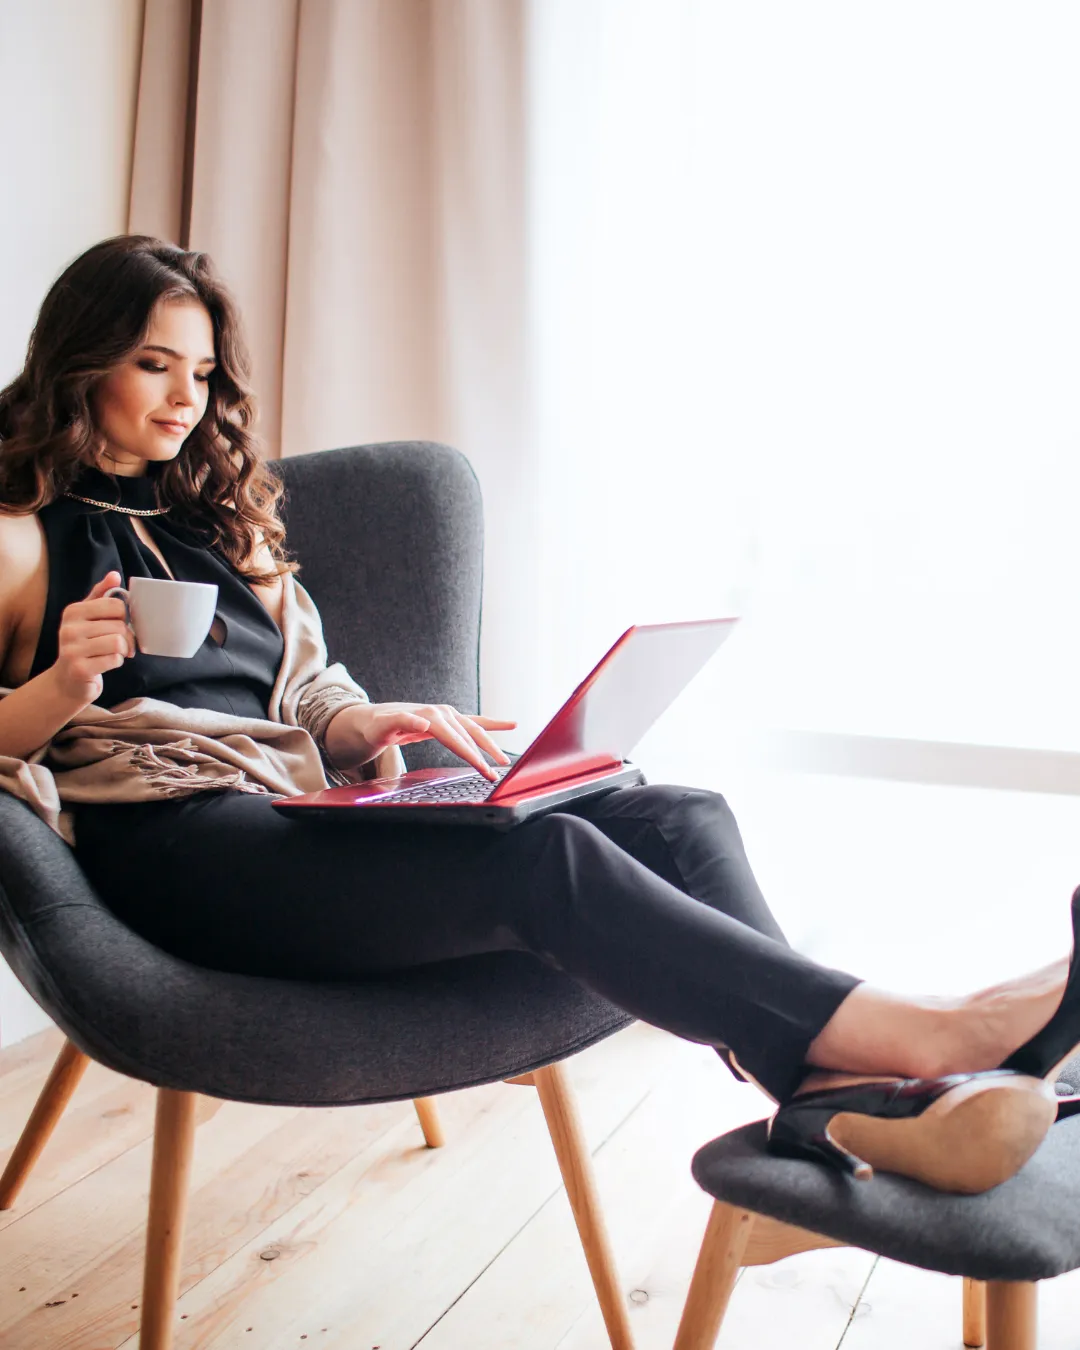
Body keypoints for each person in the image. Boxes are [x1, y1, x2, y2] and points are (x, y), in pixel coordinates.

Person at [0, 235, 1077, 1197]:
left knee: (678, 815)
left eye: (201, 372)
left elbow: (308, 689)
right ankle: (930, 1042)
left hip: (290, 817)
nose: (185, 397)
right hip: (174, 851)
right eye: (154, 364)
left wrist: (369, 722)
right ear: (81, 357)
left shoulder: (228, 528)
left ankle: (820, 1097)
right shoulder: (20, 535)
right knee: (546, 859)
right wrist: (62, 690)